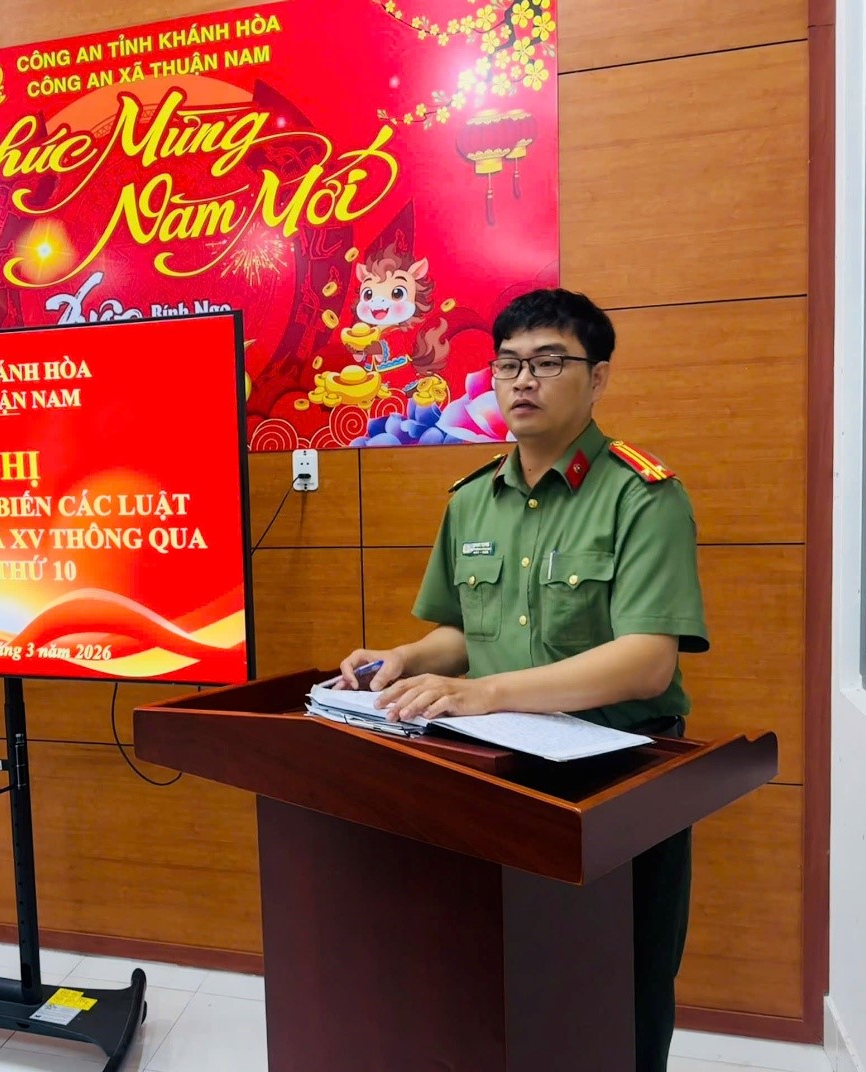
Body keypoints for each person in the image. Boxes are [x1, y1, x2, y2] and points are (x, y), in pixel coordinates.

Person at [338, 287, 708, 1072]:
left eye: (547, 362)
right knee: (501, 975)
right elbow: (460, 633)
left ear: (597, 377)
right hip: (495, 770)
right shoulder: (472, 500)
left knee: (619, 984)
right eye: (507, 365)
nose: (522, 381)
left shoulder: (642, 496)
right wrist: (405, 659)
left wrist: (485, 692)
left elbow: (647, 660)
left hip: (616, 778)